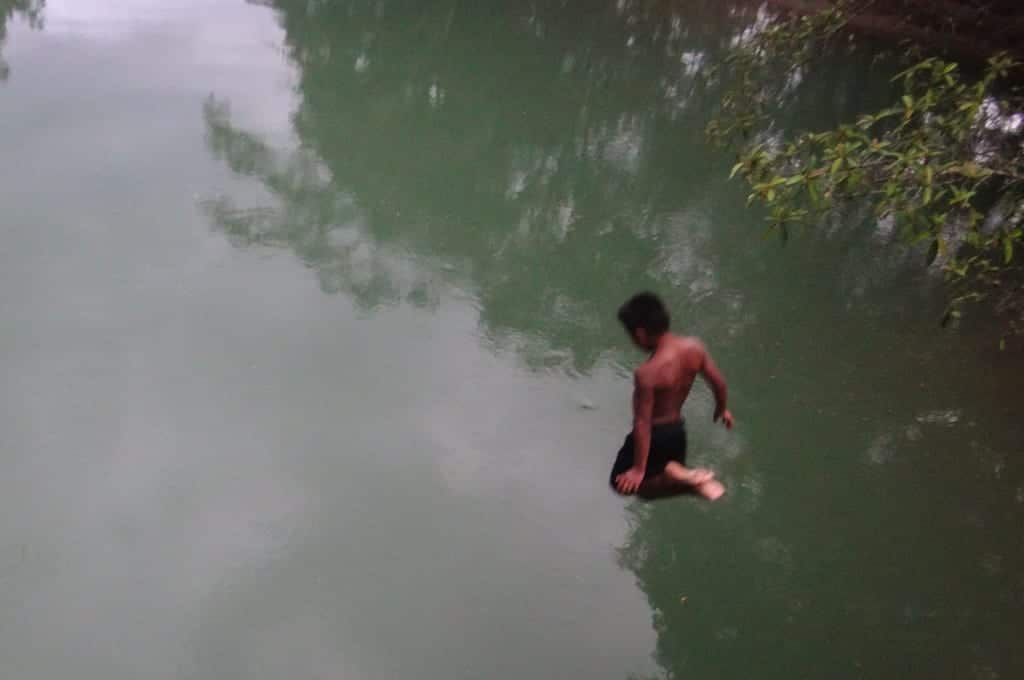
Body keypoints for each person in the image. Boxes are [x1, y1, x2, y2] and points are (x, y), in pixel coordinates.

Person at [610, 292, 732, 501]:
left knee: (622, 483)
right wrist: (722, 409)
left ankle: (676, 473)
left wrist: (638, 469)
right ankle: (692, 481)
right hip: (676, 433)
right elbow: (719, 384)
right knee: (663, 478)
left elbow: (643, 423)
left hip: (655, 437)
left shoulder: (647, 373)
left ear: (640, 334)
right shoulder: (695, 347)